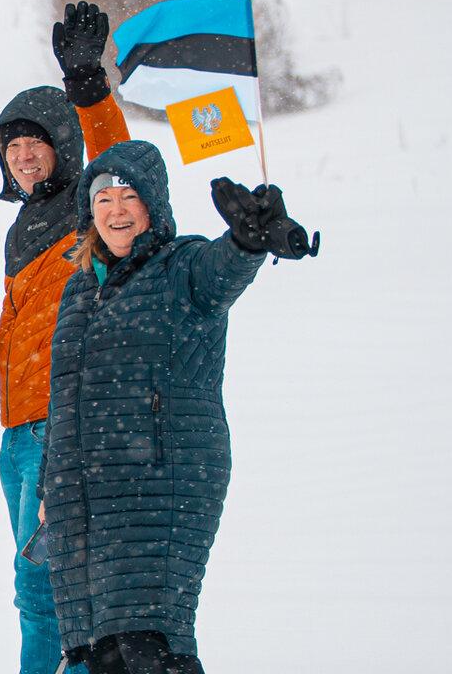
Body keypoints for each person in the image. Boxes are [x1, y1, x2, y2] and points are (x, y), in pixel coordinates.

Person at [42, 145, 302, 673]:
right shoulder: (78, 290)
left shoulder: (181, 268)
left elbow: (222, 270)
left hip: (159, 478)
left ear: (153, 204)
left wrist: (247, 242)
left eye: (130, 196)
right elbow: (64, 399)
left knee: (151, 641)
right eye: (104, 198)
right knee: (104, 650)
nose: (116, 210)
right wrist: (53, 485)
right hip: (84, 496)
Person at [0, 1, 129, 674]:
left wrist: (89, 90)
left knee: (53, 590)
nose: (20, 157)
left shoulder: (88, 210)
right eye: (10, 149)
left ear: (62, 146)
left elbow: (122, 168)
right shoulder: (25, 229)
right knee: (38, 592)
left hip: (63, 430)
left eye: (33, 143)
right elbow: (26, 332)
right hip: (19, 437)